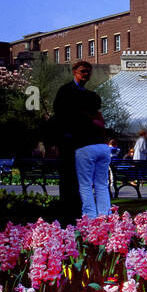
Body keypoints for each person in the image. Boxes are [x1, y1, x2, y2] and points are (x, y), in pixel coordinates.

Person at [52, 61, 104, 222]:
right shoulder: (66, 91)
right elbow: (64, 116)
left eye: (88, 72)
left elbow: (95, 115)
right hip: (69, 144)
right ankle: (68, 216)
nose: (86, 74)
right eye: (83, 71)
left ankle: (79, 215)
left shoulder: (88, 95)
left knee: (82, 181)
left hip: (83, 144)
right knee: (69, 181)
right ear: (75, 71)